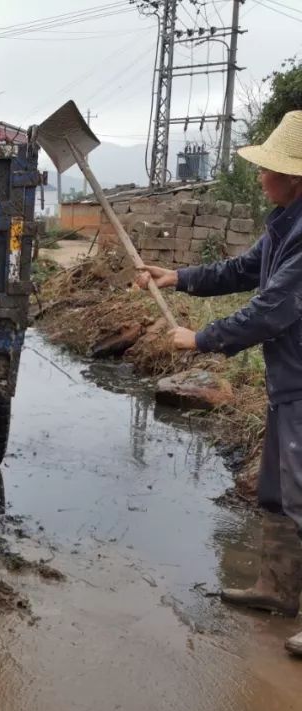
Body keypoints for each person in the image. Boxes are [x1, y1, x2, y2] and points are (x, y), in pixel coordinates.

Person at [138, 110, 302, 655]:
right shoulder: (284, 226)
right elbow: (239, 271)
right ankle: (277, 589)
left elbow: (271, 311)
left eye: (267, 170)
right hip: (288, 381)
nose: (259, 178)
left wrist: (201, 339)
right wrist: (178, 277)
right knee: (278, 493)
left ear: (293, 179)